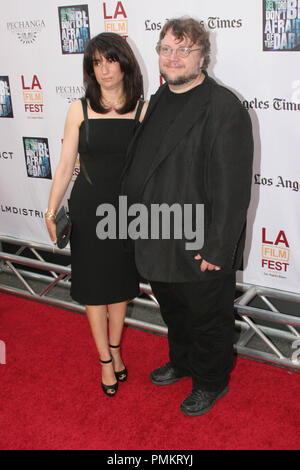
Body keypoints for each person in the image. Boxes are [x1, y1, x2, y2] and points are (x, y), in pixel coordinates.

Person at [121, 17, 253, 416]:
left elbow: (232, 189)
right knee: (173, 309)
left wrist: (219, 247)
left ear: (203, 58)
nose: (173, 57)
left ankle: (211, 381)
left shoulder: (224, 107)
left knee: (208, 318)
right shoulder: (160, 98)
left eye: (184, 49)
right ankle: (182, 361)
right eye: (166, 49)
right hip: (158, 234)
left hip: (200, 242)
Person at [46, 32, 146, 397]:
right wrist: (51, 208)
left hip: (124, 213)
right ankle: (105, 360)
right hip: (88, 211)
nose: (104, 69)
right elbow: (63, 167)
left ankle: (116, 350)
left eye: (110, 60)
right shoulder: (80, 108)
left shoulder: (143, 109)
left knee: (120, 288)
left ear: (125, 63)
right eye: (96, 62)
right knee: (93, 289)